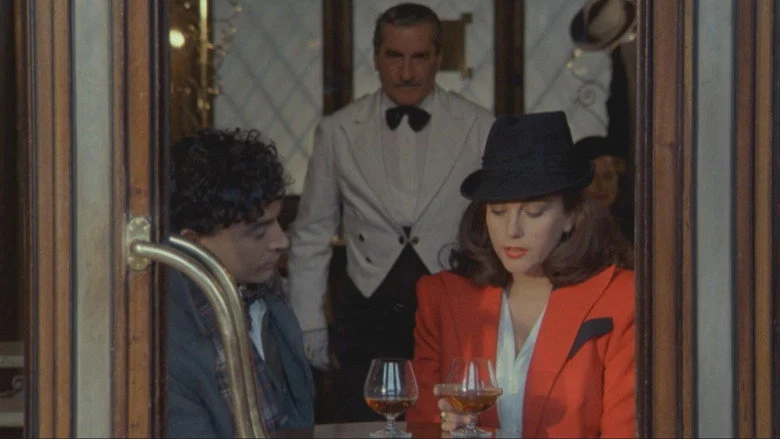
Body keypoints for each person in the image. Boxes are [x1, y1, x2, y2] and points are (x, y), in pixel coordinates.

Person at [287, 2, 495, 421]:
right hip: (366, 312)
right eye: (395, 56)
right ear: (376, 56)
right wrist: (309, 324)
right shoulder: (338, 130)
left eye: (420, 57)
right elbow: (311, 233)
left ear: (439, 57)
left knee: (446, 421)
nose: (407, 72)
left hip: (453, 302)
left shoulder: (479, 125)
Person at [406, 112, 635, 437]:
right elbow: (424, 427)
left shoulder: (619, 298)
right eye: (498, 211)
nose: (512, 230)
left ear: (571, 216)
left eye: (533, 212)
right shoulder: (442, 297)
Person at [166, 129, 314, 437]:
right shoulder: (171, 335)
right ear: (193, 242)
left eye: (279, 221)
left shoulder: (265, 292)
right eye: (258, 231)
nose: (281, 241)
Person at [574, 135, 634, 242]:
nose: (600, 186)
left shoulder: (634, 228)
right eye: (592, 178)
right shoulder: (569, 230)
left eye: (607, 176)